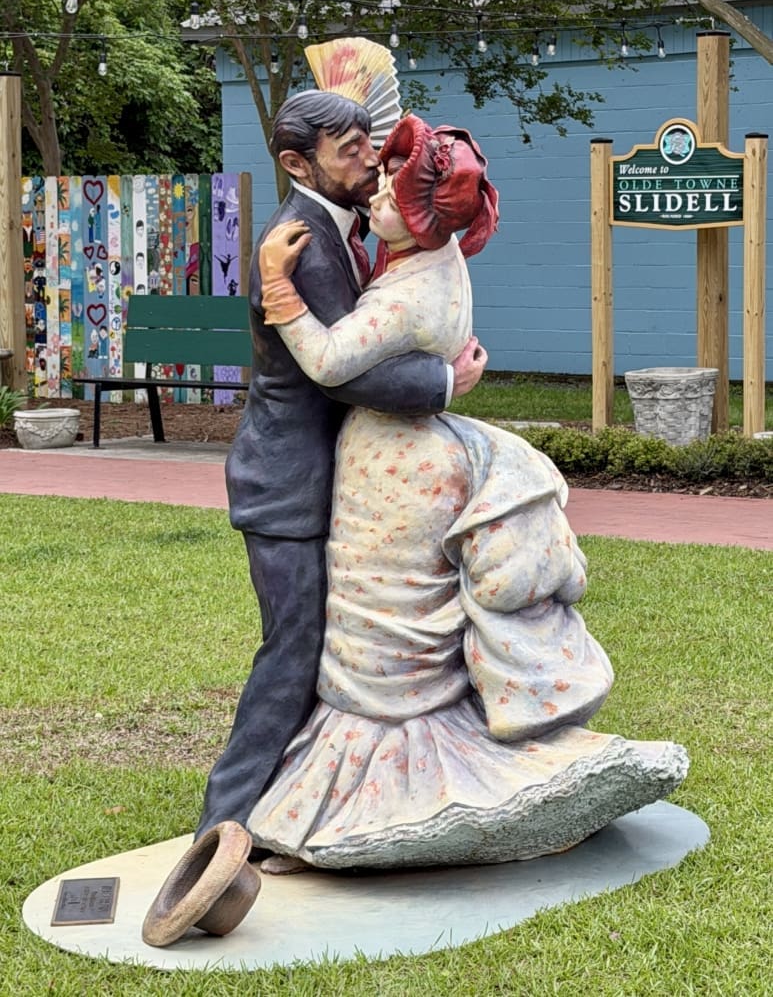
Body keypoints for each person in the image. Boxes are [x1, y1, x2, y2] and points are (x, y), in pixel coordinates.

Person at [239, 115, 688, 869]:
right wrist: (447, 377)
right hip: (404, 457)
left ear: (420, 218)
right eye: (371, 172)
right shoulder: (432, 256)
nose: (374, 190)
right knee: (388, 626)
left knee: (382, 632)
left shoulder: (408, 290)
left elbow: (328, 363)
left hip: (394, 469)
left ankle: (370, 799)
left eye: (390, 190)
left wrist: (279, 289)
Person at [196, 92, 487, 842]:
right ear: (298, 164)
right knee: (292, 653)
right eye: (349, 149)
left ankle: (305, 810)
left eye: (368, 142)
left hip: (339, 482)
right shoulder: (299, 244)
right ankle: (221, 828)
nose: (368, 158)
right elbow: (340, 375)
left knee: (338, 652)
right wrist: (446, 380)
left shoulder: (346, 228)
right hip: (288, 484)